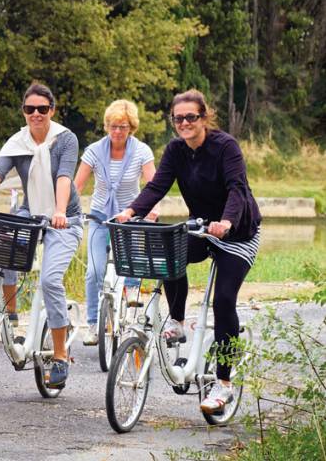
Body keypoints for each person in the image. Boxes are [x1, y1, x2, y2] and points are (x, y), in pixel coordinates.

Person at [114, 89, 260, 414]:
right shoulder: (176, 150)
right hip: (201, 228)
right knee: (171, 254)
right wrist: (130, 211)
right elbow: (156, 186)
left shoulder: (225, 147)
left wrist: (226, 221)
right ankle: (177, 321)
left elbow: (237, 188)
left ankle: (223, 385)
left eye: (191, 117)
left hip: (237, 232)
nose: (184, 123)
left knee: (223, 301)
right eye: (178, 118)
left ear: (204, 117)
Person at [0, 83, 82, 389]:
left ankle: (61, 356)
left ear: (51, 111)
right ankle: (10, 316)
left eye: (42, 109)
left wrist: (61, 210)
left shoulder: (65, 139)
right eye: (30, 109)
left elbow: (65, 176)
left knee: (50, 280)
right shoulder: (18, 142)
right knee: (2, 245)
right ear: (23, 112)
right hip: (31, 211)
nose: (36, 114)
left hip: (65, 218)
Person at [73, 100, 157, 346]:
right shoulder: (94, 151)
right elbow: (77, 186)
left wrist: (152, 211)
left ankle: (130, 315)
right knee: (94, 272)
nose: (117, 131)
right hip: (101, 216)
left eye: (122, 126)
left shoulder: (142, 151)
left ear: (131, 127)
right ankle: (92, 324)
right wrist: (68, 210)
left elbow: (153, 185)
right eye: (112, 126)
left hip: (131, 217)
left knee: (130, 270)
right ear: (106, 126)